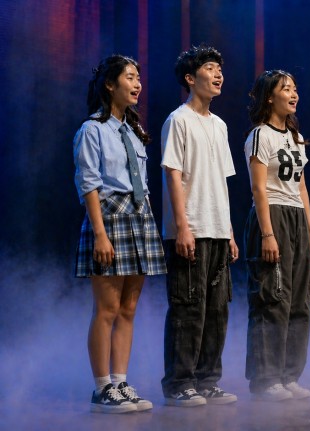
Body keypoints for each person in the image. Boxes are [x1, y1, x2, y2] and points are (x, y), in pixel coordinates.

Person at [74, 54, 166, 413]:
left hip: (139, 218)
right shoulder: (92, 130)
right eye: (130, 77)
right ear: (110, 84)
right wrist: (100, 234)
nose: (137, 84)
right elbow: (89, 184)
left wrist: (148, 222)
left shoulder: (134, 132)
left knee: (128, 308)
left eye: (138, 78)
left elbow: (141, 183)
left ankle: (120, 381)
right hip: (110, 219)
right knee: (108, 308)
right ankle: (101, 388)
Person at [160, 45, 239, 407]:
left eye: (219, 68)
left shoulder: (220, 125)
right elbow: (173, 175)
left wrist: (229, 231)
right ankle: (179, 383)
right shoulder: (178, 120)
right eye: (210, 67)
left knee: (217, 310)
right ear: (191, 78)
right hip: (190, 227)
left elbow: (221, 181)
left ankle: (208, 380)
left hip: (217, 229)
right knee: (188, 309)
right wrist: (182, 227)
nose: (218, 73)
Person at [244, 69, 310, 402]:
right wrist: (267, 234)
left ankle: (290, 375)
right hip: (272, 214)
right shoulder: (260, 135)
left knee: (300, 300)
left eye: (295, 88)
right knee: (273, 297)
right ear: (269, 96)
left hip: (297, 217)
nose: (293, 94)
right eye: (285, 88)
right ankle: (267, 378)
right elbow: (258, 188)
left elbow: (301, 187)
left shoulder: (296, 137)